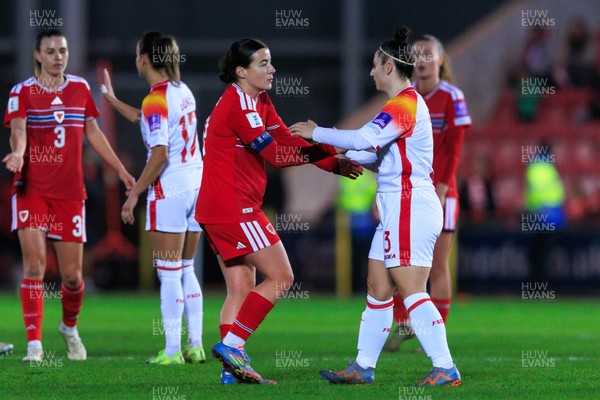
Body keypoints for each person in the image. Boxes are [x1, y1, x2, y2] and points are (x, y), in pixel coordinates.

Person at [290, 26, 461, 386]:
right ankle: (362, 367)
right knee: (377, 288)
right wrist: (335, 152)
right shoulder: (401, 106)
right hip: (398, 207)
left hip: (410, 204)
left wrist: (318, 132)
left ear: (388, 68)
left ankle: (446, 367)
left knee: (413, 290)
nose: (370, 71)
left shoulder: (405, 104)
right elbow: (372, 152)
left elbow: (363, 139)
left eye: (373, 65)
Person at [196, 38, 363, 384]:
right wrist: (325, 155)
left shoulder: (258, 100)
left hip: (217, 208)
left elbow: (285, 139)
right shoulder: (239, 105)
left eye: (271, 62)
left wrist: (331, 161)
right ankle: (234, 345)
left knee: (240, 287)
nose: (272, 70)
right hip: (234, 207)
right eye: (263, 64)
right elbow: (276, 155)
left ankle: (232, 372)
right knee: (283, 277)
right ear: (241, 72)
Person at [2, 29, 135, 362]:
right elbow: (18, 130)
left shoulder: (79, 88)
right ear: (38, 56)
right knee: (33, 267)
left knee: (74, 277)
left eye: (62, 50)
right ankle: (34, 345)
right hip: (31, 189)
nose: (58, 57)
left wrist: (119, 169)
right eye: (50, 51)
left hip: (69, 194)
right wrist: (18, 153)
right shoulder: (21, 92)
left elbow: (93, 131)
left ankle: (69, 328)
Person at [103, 32, 206, 365]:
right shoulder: (181, 91)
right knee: (186, 267)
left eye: (137, 54)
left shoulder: (155, 99)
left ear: (144, 59)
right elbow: (145, 120)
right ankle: (195, 345)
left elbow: (159, 154)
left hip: (171, 189)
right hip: (197, 185)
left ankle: (173, 351)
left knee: (168, 272)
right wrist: (113, 100)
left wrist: (133, 195)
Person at [384, 34, 471, 352]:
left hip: (439, 191)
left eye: (427, 54)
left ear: (441, 60)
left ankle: (435, 334)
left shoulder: (451, 96)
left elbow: (453, 148)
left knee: (436, 265)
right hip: (408, 189)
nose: (421, 60)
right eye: (416, 54)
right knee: (398, 262)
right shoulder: (405, 97)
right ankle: (404, 323)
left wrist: (443, 188)